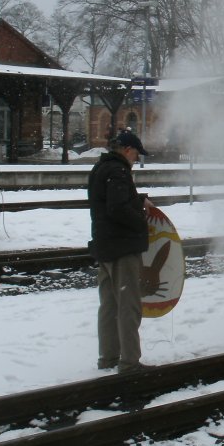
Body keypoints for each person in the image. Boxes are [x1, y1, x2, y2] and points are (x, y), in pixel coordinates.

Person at [87, 129, 155, 373]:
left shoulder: (101, 169)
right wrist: (142, 222)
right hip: (122, 247)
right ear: (127, 150)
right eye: (136, 154)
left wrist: (139, 199)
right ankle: (129, 362)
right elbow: (118, 208)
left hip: (105, 246)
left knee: (109, 305)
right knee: (128, 306)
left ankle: (108, 357)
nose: (136, 159)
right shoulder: (118, 171)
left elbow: (112, 202)